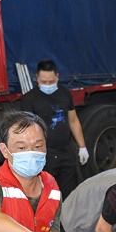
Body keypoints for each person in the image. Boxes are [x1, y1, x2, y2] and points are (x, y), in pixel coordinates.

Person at [20, 60, 89, 198]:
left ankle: (68, 212)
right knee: (48, 194)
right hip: (45, 154)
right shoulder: (29, 99)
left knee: (70, 192)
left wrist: (82, 147)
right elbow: (26, 129)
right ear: (37, 78)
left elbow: (73, 121)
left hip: (66, 151)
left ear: (57, 77)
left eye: (51, 81)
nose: (48, 85)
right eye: (44, 82)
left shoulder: (65, 93)